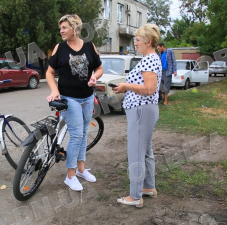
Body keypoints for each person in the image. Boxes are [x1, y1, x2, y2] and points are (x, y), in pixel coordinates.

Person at [46, 14, 103, 191]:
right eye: (60, 28)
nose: (61, 31)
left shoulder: (89, 46)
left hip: (87, 97)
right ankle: (70, 176)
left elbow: (99, 68)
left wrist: (94, 76)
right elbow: (49, 72)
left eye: (64, 27)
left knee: (84, 133)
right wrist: (55, 90)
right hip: (69, 98)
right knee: (77, 135)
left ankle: (80, 169)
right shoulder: (60, 48)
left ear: (75, 28)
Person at [112, 24, 162, 208]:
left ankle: (135, 196)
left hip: (141, 111)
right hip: (145, 110)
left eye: (138, 39)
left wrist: (127, 86)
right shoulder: (151, 58)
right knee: (146, 151)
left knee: (136, 153)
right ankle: (148, 187)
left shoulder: (149, 59)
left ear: (148, 41)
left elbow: (149, 89)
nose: (135, 43)